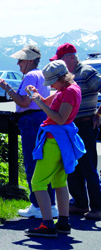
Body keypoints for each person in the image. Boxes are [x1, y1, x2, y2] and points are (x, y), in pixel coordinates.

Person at [24, 60, 85, 237]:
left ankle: (47, 225)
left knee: (38, 182)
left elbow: (59, 118)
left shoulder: (69, 92)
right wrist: (36, 96)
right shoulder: (67, 90)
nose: (50, 85)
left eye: (52, 82)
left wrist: (39, 103)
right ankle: (63, 222)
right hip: (61, 140)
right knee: (59, 181)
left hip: (54, 141)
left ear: (62, 78)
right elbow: (45, 102)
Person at [0, 45, 58, 219]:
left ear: (30, 60)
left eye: (21, 60)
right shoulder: (41, 74)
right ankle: (49, 204)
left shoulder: (30, 75)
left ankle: (37, 205)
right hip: (40, 118)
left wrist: (7, 88)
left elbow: (23, 102)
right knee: (43, 162)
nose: (18, 63)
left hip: (30, 119)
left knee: (31, 163)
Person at [49, 43, 101, 220]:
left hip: (85, 124)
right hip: (71, 126)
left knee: (88, 167)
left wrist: (99, 113)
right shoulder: (68, 77)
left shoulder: (86, 72)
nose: (61, 65)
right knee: (72, 167)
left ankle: (97, 207)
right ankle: (80, 203)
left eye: (61, 61)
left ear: (71, 57)